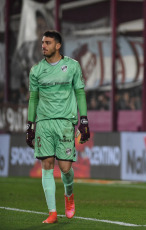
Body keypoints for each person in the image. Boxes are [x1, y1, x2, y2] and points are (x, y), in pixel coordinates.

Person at [26, 30, 90, 224]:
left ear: (58, 45)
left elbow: (79, 93)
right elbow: (34, 98)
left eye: (48, 42)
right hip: (44, 122)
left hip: (65, 122)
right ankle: (52, 212)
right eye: (42, 43)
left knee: (65, 168)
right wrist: (30, 124)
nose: (43, 46)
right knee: (46, 164)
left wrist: (84, 120)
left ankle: (69, 195)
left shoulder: (72, 66)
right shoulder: (36, 70)